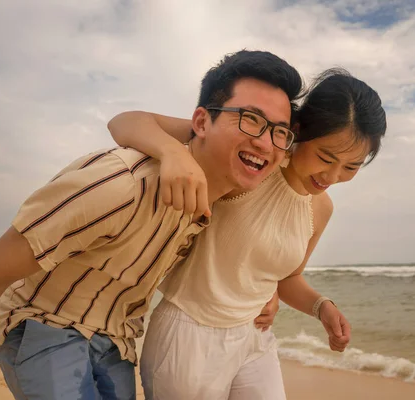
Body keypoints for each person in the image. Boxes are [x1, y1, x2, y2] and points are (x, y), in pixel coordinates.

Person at [0, 50, 303, 400]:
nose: (264, 141)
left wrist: (271, 291)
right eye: (249, 119)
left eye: (279, 132)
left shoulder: (216, 204)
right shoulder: (123, 184)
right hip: (44, 320)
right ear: (200, 123)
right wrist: (171, 151)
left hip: (116, 339)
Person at [107, 68, 387, 399]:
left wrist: (321, 307)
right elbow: (125, 122)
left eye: (351, 167)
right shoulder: (250, 165)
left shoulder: (321, 208)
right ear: (297, 131)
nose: (333, 175)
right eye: (326, 157)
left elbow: (288, 277)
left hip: (255, 337)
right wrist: (172, 154)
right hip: (190, 333)